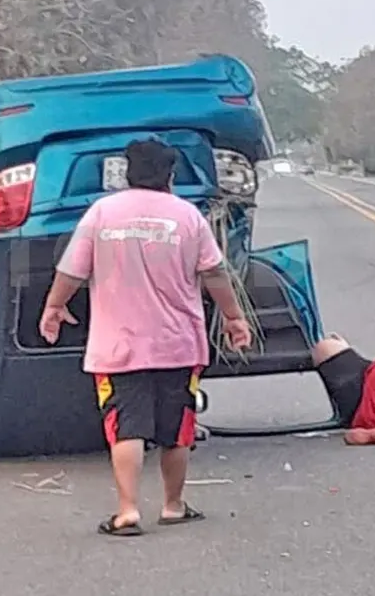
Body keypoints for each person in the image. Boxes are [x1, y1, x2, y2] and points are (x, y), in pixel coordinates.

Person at [38, 138, 252, 537]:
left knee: (126, 427)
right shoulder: (187, 217)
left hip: (118, 347)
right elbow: (215, 273)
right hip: (178, 344)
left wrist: (53, 307)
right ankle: (172, 505)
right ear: (170, 176)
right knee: (177, 429)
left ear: (126, 173)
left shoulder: (102, 213)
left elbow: (71, 270)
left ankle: (128, 510)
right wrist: (233, 317)